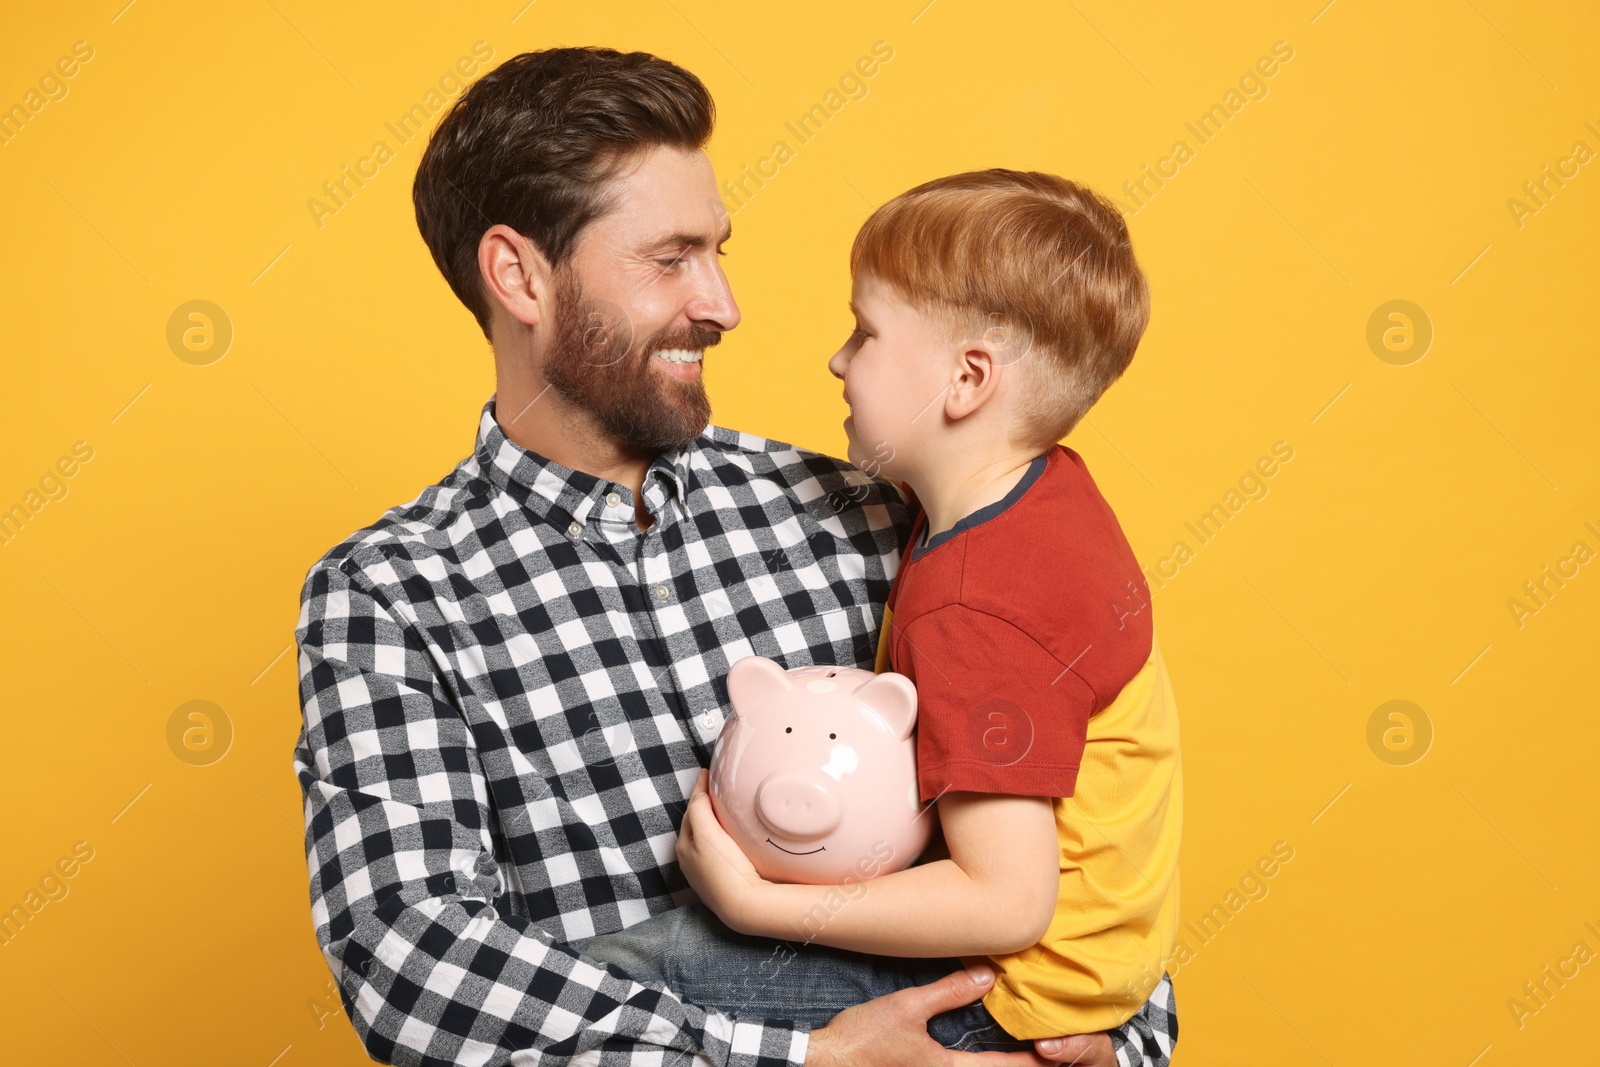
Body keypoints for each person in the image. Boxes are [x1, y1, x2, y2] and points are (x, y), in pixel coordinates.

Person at [292, 45, 1175, 1066]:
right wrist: (798, 1063)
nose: (722, 303)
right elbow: (414, 963)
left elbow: (1097, 827)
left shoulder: (877, 516)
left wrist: (1102, 1045)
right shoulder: (389, 595)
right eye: (669, 259)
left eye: (718, 250)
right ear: (519, 275)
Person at [582, 171, 1182, 1054]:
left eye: (864, 332)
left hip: (1003, 986)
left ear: (968, 378)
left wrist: (760, 902)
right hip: (1100, 973)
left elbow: (1007, 898)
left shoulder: (976, 602)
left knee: (619, 975)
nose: (837, 358)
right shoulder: (1048, 497)